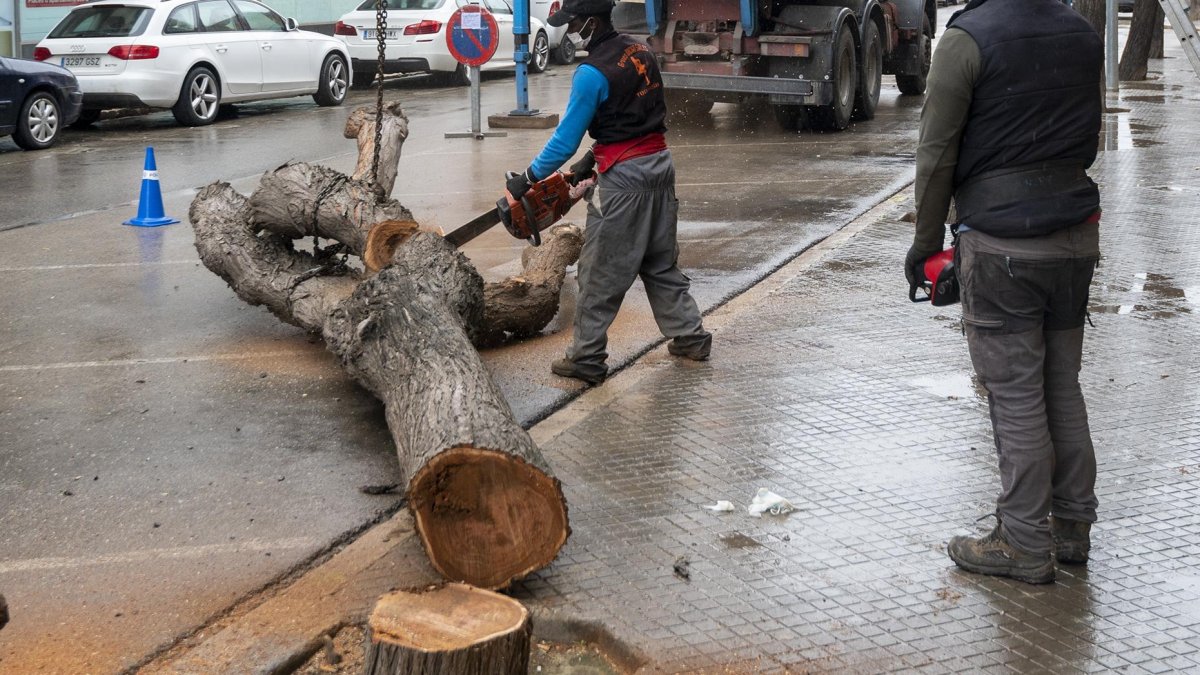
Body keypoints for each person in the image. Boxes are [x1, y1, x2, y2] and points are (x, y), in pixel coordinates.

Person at [905, 0, 1103, 584]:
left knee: (1015, 394)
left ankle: (1022, 542)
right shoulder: (1081, 31)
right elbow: (1085, 136)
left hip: (1002, 246)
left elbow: (936, 152)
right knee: (1061, 385)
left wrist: (924, 241)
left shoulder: (967, 39)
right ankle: (1071, 527)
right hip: (1075, 237)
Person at [505, 0, 711, 385]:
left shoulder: (591, 73)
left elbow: (564, 141)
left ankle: (586, 358)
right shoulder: (640, 50)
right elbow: (636, 116)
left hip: (625, 183)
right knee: (659, 262)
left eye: (573, 24)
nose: (569, 31)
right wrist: (593, 158)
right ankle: (691, 336)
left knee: (597, 271)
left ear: (591, 22)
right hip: (659, 167)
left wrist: (528, 178)